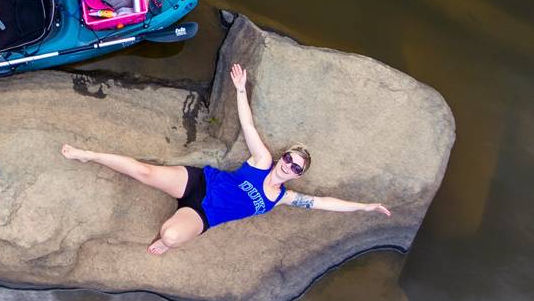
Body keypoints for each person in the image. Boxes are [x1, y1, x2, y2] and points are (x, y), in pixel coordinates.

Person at [60, 62, 391, 255]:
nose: (288, 165)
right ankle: (88, 155)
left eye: (295, 167)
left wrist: (365, 207)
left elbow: (326, 203)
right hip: (201, 181)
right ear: (282, 156)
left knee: (171, 237)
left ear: (297, 175)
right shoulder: (262, 160)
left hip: (203, 214)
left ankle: (168, 237)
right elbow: (247, 125)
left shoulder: (284, 198)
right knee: (145, 172)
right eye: (289, 158)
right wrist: (240, 89)